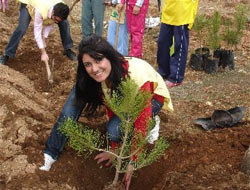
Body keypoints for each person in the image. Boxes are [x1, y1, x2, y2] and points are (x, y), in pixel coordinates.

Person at [40, 35, 173, 189]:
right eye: (88, 64)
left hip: (152, 98)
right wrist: (114, 150)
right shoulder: (102, 79)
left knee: (137, 124)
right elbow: (112, 106)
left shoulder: (138, 77)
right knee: (113, 129)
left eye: (98, 61)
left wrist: (132, 161)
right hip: (126, 101)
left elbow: (140, 123)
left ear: (109, 57)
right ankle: (51, 153)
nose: (94, 69)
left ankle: (154, 120)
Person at [0, 0, 77, 65]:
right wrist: (43, 52)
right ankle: (7, 54)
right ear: (53, 12)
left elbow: (51, 22)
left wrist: (44, 38)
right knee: (21, 28)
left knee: (64, 23)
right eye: (56, 19)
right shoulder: (41, 11)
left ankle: (68, 49)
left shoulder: (61, 8)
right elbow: (37, 32)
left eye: (58, 20)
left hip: (46, 6)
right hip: (29, 3)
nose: (56, 21)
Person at [157, 0, 199, 88]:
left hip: (182, 14)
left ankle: (175, 78)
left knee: (179, 47)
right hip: (168, 12)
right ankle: (163, 72)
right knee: (162, 43)